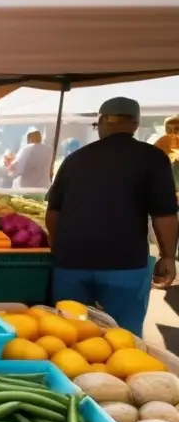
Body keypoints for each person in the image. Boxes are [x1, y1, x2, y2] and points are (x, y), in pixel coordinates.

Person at [46, 97, 178, 335]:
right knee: (123, 338)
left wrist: (57, 246)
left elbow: (53, 211)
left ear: (102, 122)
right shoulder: (152, 158)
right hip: (125, 265)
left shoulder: (76, 159)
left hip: (72, 264)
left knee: (68, 335)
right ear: (135, 125)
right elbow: (164, 214)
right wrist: (168, 256)